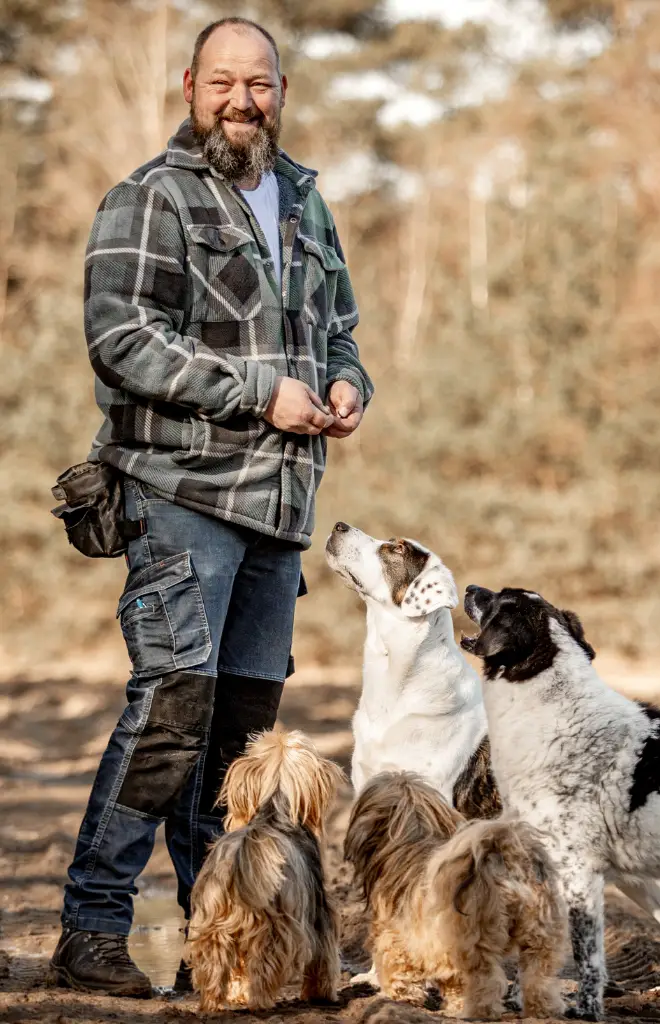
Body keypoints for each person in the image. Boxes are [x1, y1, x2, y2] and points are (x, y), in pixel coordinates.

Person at [50, 17, 372, 997]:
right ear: (191, 85)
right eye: (223, 81)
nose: (243, 98)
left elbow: (343, 332)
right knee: (169, 713)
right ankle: (92, 929)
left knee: (238, 741)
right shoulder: (150, 197)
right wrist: (255, 390)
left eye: (261, 83)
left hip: (279, 511)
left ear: (281, 89)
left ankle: (218, 942)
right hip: (179, 493)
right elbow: (120, 338)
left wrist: (349, 385)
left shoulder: (307, 206)